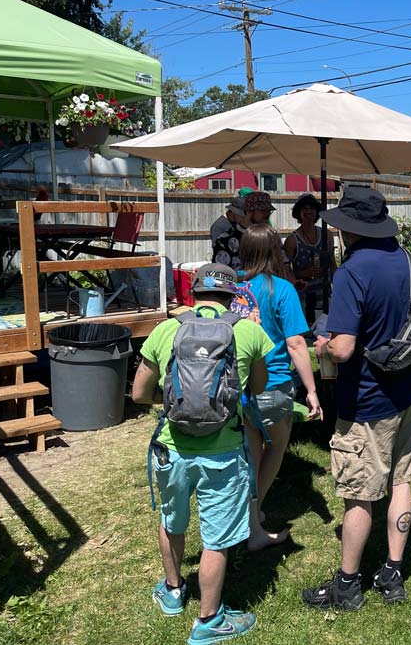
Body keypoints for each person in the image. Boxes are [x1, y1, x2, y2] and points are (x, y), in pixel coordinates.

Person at [131, 263, 274, 643]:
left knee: (172, 519)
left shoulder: (167, 329)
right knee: (216, 537)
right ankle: (209, 620)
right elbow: (258, 386)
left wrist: (173, 402)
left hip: (172, 448)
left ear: (193, 292)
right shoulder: (247, 331)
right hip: (224, 451)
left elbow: (139, 394)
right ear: (234, 295)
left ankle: (174, 590)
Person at [303, 186, 411, 611]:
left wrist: (321, 346)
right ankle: (392, 574)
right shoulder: (406, 259)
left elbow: (343, 348)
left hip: (370, 400)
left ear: (348, 231)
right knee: (402, 480)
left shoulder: (352, 272)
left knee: (359, 493)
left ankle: (347, 584)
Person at [238, 223, 323, 551]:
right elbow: (297, 343)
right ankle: (253, 517)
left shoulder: (232, 288)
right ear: (276, 251)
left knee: (250, 454)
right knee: (274, 448)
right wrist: (312, 390)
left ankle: (248, 516)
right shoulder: (282, 289)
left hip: (237, 388)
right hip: (272, 384)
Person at [283, 193, 331, 326]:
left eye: (311, 208)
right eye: (304, 208)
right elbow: (286, 271)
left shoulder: (326, 235)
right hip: (304, 295)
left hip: (325, 292)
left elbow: (332, 263)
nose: (308, 211)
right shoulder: (292, 240)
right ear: (298, 213)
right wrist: (305, 273)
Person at [210, 195, 247, 272]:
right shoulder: (219, 226)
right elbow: (218, 249)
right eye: (241, 215)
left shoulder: (237, 225)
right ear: (233, 213)